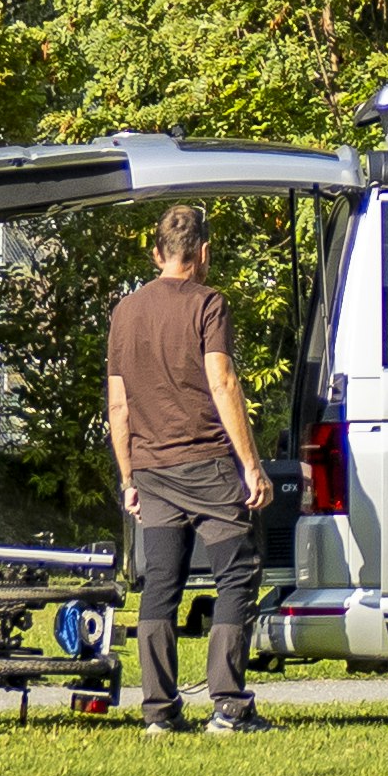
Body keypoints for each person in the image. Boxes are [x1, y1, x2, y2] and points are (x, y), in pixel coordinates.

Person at [97, 205, 274, 731]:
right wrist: (251, 466)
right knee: (238, 573)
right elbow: (222, 384)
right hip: (207, 466)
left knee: (160, 586)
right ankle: (228, 704)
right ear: (203, 254)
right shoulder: (208, 303)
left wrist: (128, 477)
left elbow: (119, 406)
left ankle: (158, 712)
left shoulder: (124, 311)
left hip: (151, 470)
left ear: (157, 254)